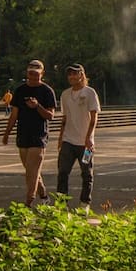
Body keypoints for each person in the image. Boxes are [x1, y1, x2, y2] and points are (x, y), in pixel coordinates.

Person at [2, 59, 57, 206]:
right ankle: (44, 195)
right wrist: (7, 133)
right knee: (31, 170)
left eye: (36, 74)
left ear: (42, 74)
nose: (33, 77)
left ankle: (29, 200)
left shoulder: (47, 91)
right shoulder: (20, 90)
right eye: (31, 74)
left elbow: (51, 115)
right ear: (27, 73)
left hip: (39, 136)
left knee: (31, 172)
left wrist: (37, 106)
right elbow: (14, 114)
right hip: (22, 134)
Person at [57, 63, 100, 208]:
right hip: (68, 140)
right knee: (63, 172)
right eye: (69, 74)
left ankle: (84, 202)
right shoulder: (65, 94)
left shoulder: (90, 93)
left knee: (87, 173)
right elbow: (64, 118)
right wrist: (60, 138)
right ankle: (62, 203)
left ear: (82, 75)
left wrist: (89, 137)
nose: (72, 76)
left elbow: (94, 118)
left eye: (75, 73)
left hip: (86, 143)